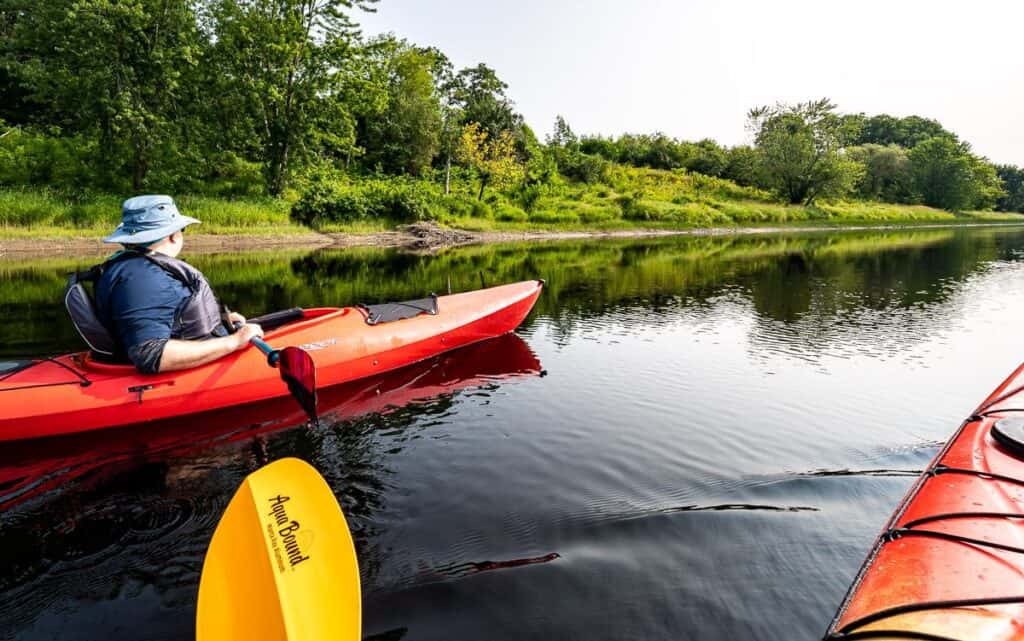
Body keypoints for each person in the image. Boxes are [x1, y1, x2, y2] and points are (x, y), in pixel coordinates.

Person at [92, 195, 264, 374]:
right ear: (174, 236)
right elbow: (150, 354)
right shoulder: (144, 279)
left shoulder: (140, 269)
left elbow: (171, 317)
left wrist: (216, 321)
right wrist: (234, 341)